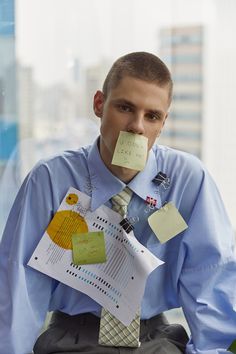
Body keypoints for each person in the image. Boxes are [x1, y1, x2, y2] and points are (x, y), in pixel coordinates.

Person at [0, 51, 235, 354]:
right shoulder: (51, 179)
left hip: (157, 341)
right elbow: (18, 290)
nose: (137, 126)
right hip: (70, 340)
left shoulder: (188, 181)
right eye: (125, 108)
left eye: (152, 116)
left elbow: (211, 281)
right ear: (99, 104)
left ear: (163, 122)